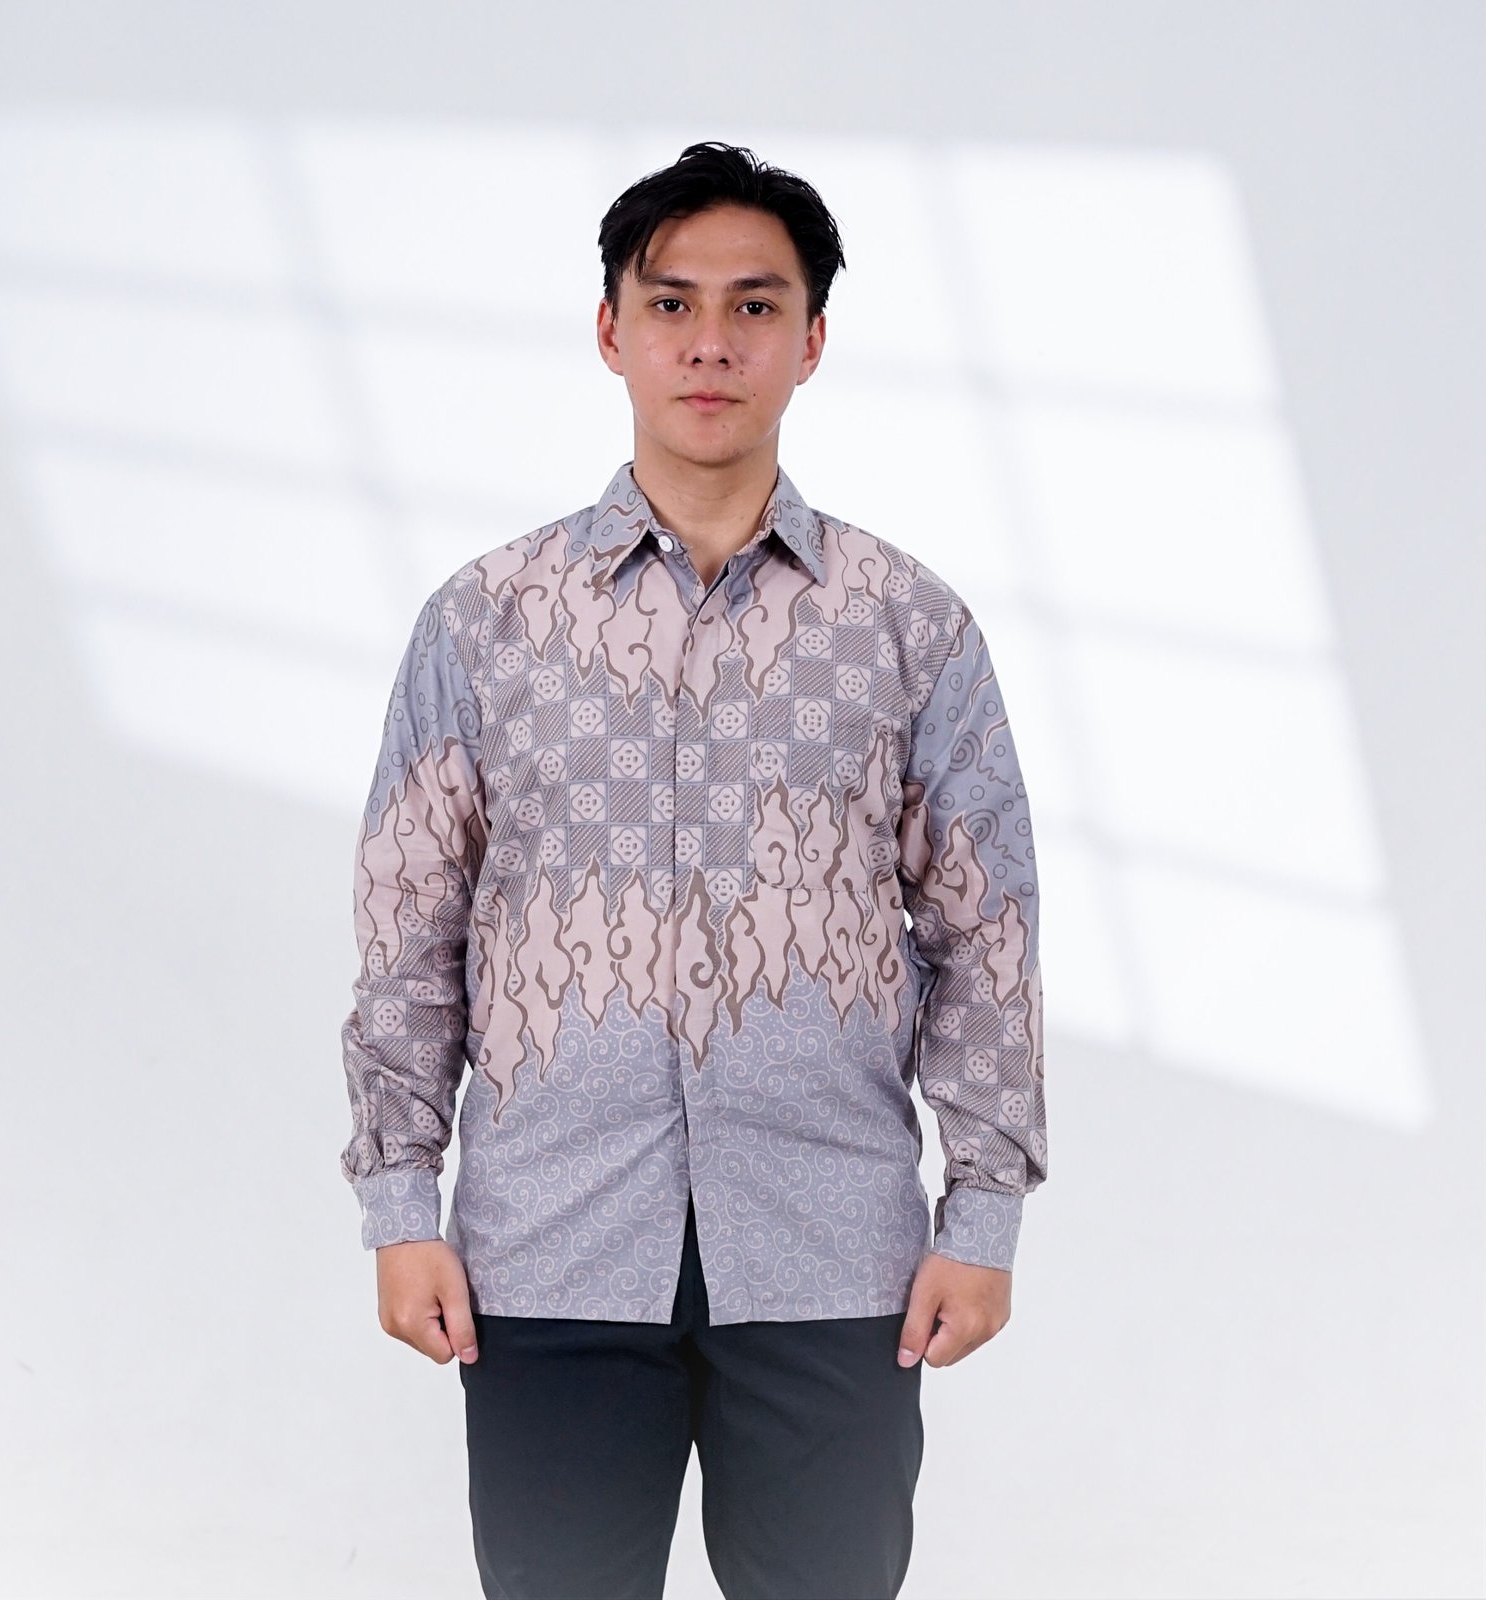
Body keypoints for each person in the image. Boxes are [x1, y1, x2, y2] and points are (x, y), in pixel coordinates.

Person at [338, 139, 1048, 1600]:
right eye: (670, 304)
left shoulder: (909, 626)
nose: (710, 343)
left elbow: (984, 929)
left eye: (754, 306)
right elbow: (410, 926)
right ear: (611, 331)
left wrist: (983, 1214)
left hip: (831, 1254)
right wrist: (401, 1204)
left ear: (812, 340)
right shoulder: (486, 621)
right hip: (550, 1245)